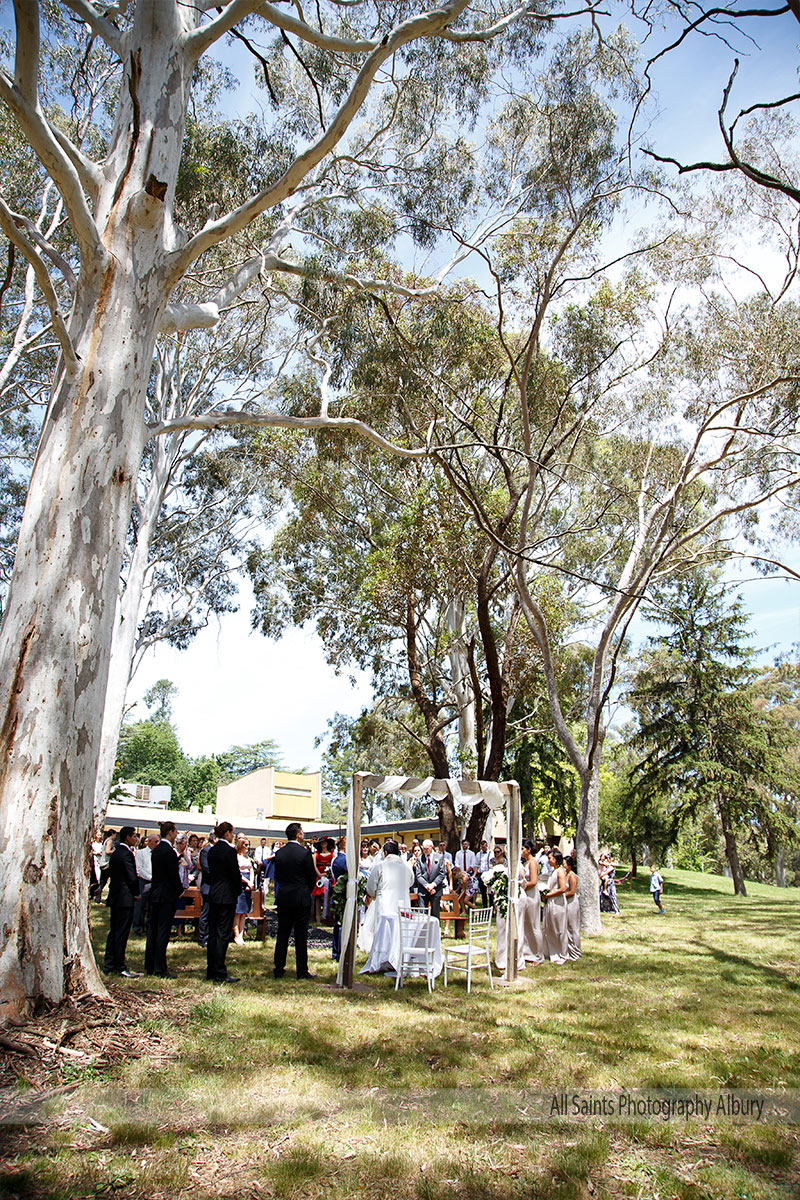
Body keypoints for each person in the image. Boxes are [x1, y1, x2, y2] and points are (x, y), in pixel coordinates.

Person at [272, 822, 317, 980]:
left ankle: (278, 968)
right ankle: (302, 971)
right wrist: (306, 890)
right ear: (298, 835)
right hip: (300, 897)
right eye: (302, 832)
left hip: (284, 896)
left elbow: (277, 876)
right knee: (300, 935)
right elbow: (311, 876)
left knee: (282, 933)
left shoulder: (279, 853)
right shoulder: (304, 853)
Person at [358, 840, 413, 954]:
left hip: (385, 905)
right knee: (399, 931)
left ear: (386, 853)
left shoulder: (380, 867)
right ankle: (399, 954)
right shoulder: (407, 868)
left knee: (384, 930)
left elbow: (371, 888)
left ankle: (383, 955)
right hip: (402, 905)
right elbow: (411, 883)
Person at [144, 821, 184, 978]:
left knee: (153, 930)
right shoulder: (168, 851)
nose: (176, 835)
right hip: (166, 896)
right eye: (175, 832)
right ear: (170, 832)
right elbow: (172, 876)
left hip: (155, 894)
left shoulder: (157, 849)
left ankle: (150, 965)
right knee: (162, 931)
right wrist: (179, 890)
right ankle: (160, 967)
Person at [206, 822, 242, 983]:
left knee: (213, 932)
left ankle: (211, 969)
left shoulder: (212, 851)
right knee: (223, 933)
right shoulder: (229, 851)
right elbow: (235, 874)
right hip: (227, 895)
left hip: (214, 893)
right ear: (227, 833)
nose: (233, 836)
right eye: (232, 833)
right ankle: (220, 971)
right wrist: (238, 890)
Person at [103, 826, 140, 976]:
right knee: (121, 932)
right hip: (124, 898)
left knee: (114, 931)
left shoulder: (117, 853)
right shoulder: (126, 854)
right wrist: (136, 893)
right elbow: (131, 877)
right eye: (134, 836)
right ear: (127, 837)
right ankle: (119, 965)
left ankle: (110, 962)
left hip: (116, 896)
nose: (136, 838)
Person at [518, 840, 544, 964]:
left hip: (532, 895)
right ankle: (528, 952)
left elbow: (533, 881)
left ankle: (539, 955)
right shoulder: (525, 863)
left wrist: (521, 886)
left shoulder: (533, 863)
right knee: (525, 924)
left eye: (523, 848)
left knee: (534, 925)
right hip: (524, 895)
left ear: (529, 850)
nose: (522, 850)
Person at [542, 849, 569, 965]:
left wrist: (549, 895)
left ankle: (562, 953)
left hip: (558, 902)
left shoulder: (560, 872)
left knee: (559, 928)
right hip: (550, 902)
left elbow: (563, 889)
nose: (548, 860)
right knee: (550, 927)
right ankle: (552, 951)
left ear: (556, 859)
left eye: (550, 858)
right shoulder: (554, 871)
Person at [413, 838, 447, 919]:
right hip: (423, 890)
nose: (425, 850)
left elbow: (442, 873)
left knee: (435, 914)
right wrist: (427, 886)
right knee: (422, 915)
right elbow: (418, 875)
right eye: (423, 849)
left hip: (436, 889)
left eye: (427, 849)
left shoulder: (439, 857)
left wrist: (433, 885)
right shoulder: (419, 859)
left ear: (432, 847)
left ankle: (435, 931)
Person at [132, 832, 158, 934]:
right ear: (150, 842)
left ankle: (150, 928)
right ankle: (137, 927)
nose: (157, 844)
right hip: (143, 881)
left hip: (154, 882)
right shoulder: (141, 853)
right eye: (155, 841)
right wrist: (150, 877)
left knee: (152, 906)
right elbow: (139, 869)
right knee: (140, 905)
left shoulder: (157, 853)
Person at [232, 836, 253, 945]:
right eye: (245, 845)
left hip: (248, 886)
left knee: (244, 912)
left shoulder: (247, 858)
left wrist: (252, 882)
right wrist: (246, 881)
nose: (247, 847)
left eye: (248, 845)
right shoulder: (236, 857)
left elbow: (251, 870)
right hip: (240, 884)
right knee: (237, 911)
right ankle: (236, 935)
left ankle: (241, 934)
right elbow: (237, 872)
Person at [197, 830, 216, 948]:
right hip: (208, 887)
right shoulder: (206, 851)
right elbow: (206, 868)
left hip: (216, 888)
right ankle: (203, 938)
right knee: (206, 914)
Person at [564, 855, 582, 959]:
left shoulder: (572, 876)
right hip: (566, 902)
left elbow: (572, 891)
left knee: (573, 927)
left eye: (565, 864)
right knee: (567, 926)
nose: (564, 865)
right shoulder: (566, 874)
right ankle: (568, 949)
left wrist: (561, 896)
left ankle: (576, 950)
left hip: (572, 902)